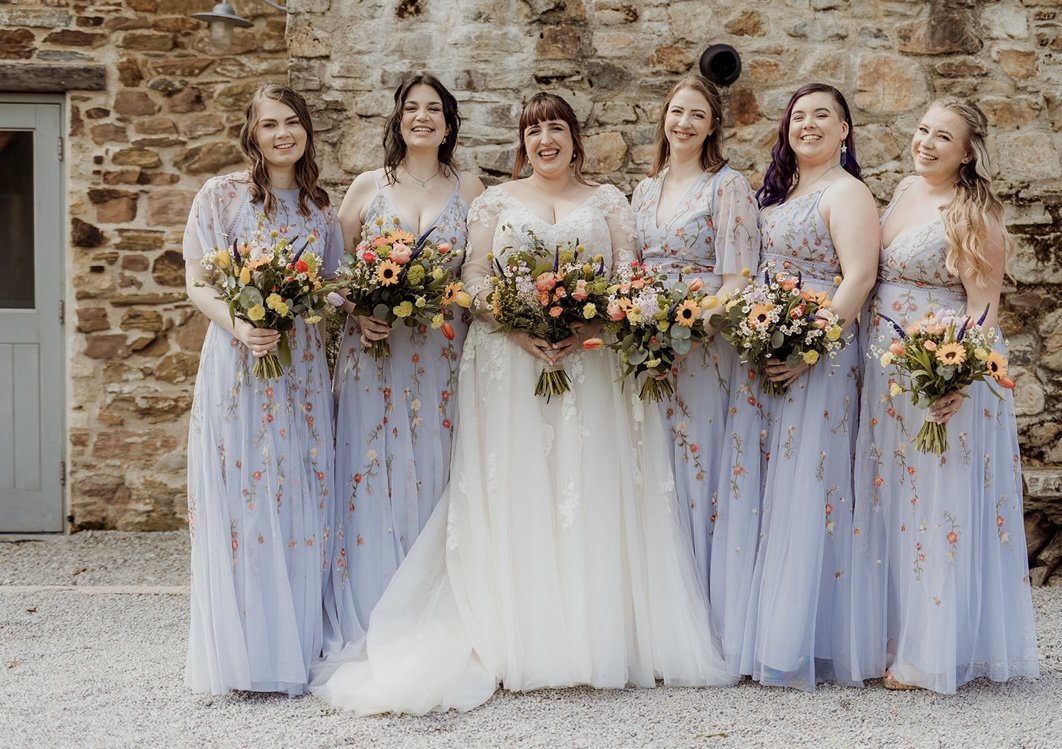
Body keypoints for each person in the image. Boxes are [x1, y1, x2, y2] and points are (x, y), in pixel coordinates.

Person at [310, 93, 730, 715]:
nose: (545, 141)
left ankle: (590, 632)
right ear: (522, 144)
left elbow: (628, 275)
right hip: (507, 361)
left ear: (575, 138)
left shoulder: (610, 199)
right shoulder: (495, 202)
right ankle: (515, 629)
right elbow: (474, 278)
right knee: (519, 485)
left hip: (589, 358)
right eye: (534, 132)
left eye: (556, 128)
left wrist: (587, 321)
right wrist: (516, 322)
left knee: (586, 486)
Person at [850, 97, 1040, 693]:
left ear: (966, 154)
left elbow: (984, 309)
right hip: (889, 370)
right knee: (894, 503)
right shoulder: (906, 189)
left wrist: (956, 379)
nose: (926, 144)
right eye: (923, 131)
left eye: (943, 138)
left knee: (938, 503)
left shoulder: (973, 213)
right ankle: (899, 633)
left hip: (942, 374)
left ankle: (932, 653)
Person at [711, 83, 879, 688]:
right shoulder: (779, 195)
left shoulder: (848, 193)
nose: (807, 125)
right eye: (798, 117)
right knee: (768, 482)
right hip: (767, 350)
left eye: (822, 117)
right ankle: (759, 631)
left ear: (844, 131)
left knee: (810, 483)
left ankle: (800, 640)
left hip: (820, 358)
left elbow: (858, 279)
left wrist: (810, 349)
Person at [182, 83, 343, 695]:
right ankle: (243, 655)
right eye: (270, 124)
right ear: (252, 134)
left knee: (297, 492)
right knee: (242, 496)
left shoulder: (319, 209)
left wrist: (356, 295)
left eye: (293, 122)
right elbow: (198, 282)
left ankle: (292, 652)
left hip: (298, 368)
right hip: (236, 365)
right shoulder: (221, 197)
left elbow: (330, 287)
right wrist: (241, 324)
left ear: (306, 130)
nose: (283, 134)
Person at [325, 73, 484, 649]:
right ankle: (369, 610)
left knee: (438, 468)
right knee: (371, 470)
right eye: (412, 108)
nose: (423, 117)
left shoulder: (471, 187)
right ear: (397, 120)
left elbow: (483, 267)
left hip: (442, 353)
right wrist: (355, 310)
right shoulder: (368, 186)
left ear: (448, 122)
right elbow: (334, 273)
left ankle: (435, 615)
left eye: (434, 109)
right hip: (373, 353)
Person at [630, 75, 760, 596]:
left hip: (705, 345)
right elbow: (633, 267)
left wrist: (691, 329)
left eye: (697, 116)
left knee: (699, 460)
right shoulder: (643, 188)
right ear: (664, 117)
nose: (684, 123)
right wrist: (643, 329)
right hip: (645, 343)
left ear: (713, 128)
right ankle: (660, 601)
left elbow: (738, 278)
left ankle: (707, 598)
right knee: (651, 463)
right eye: (677, 112)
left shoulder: (728, 186)